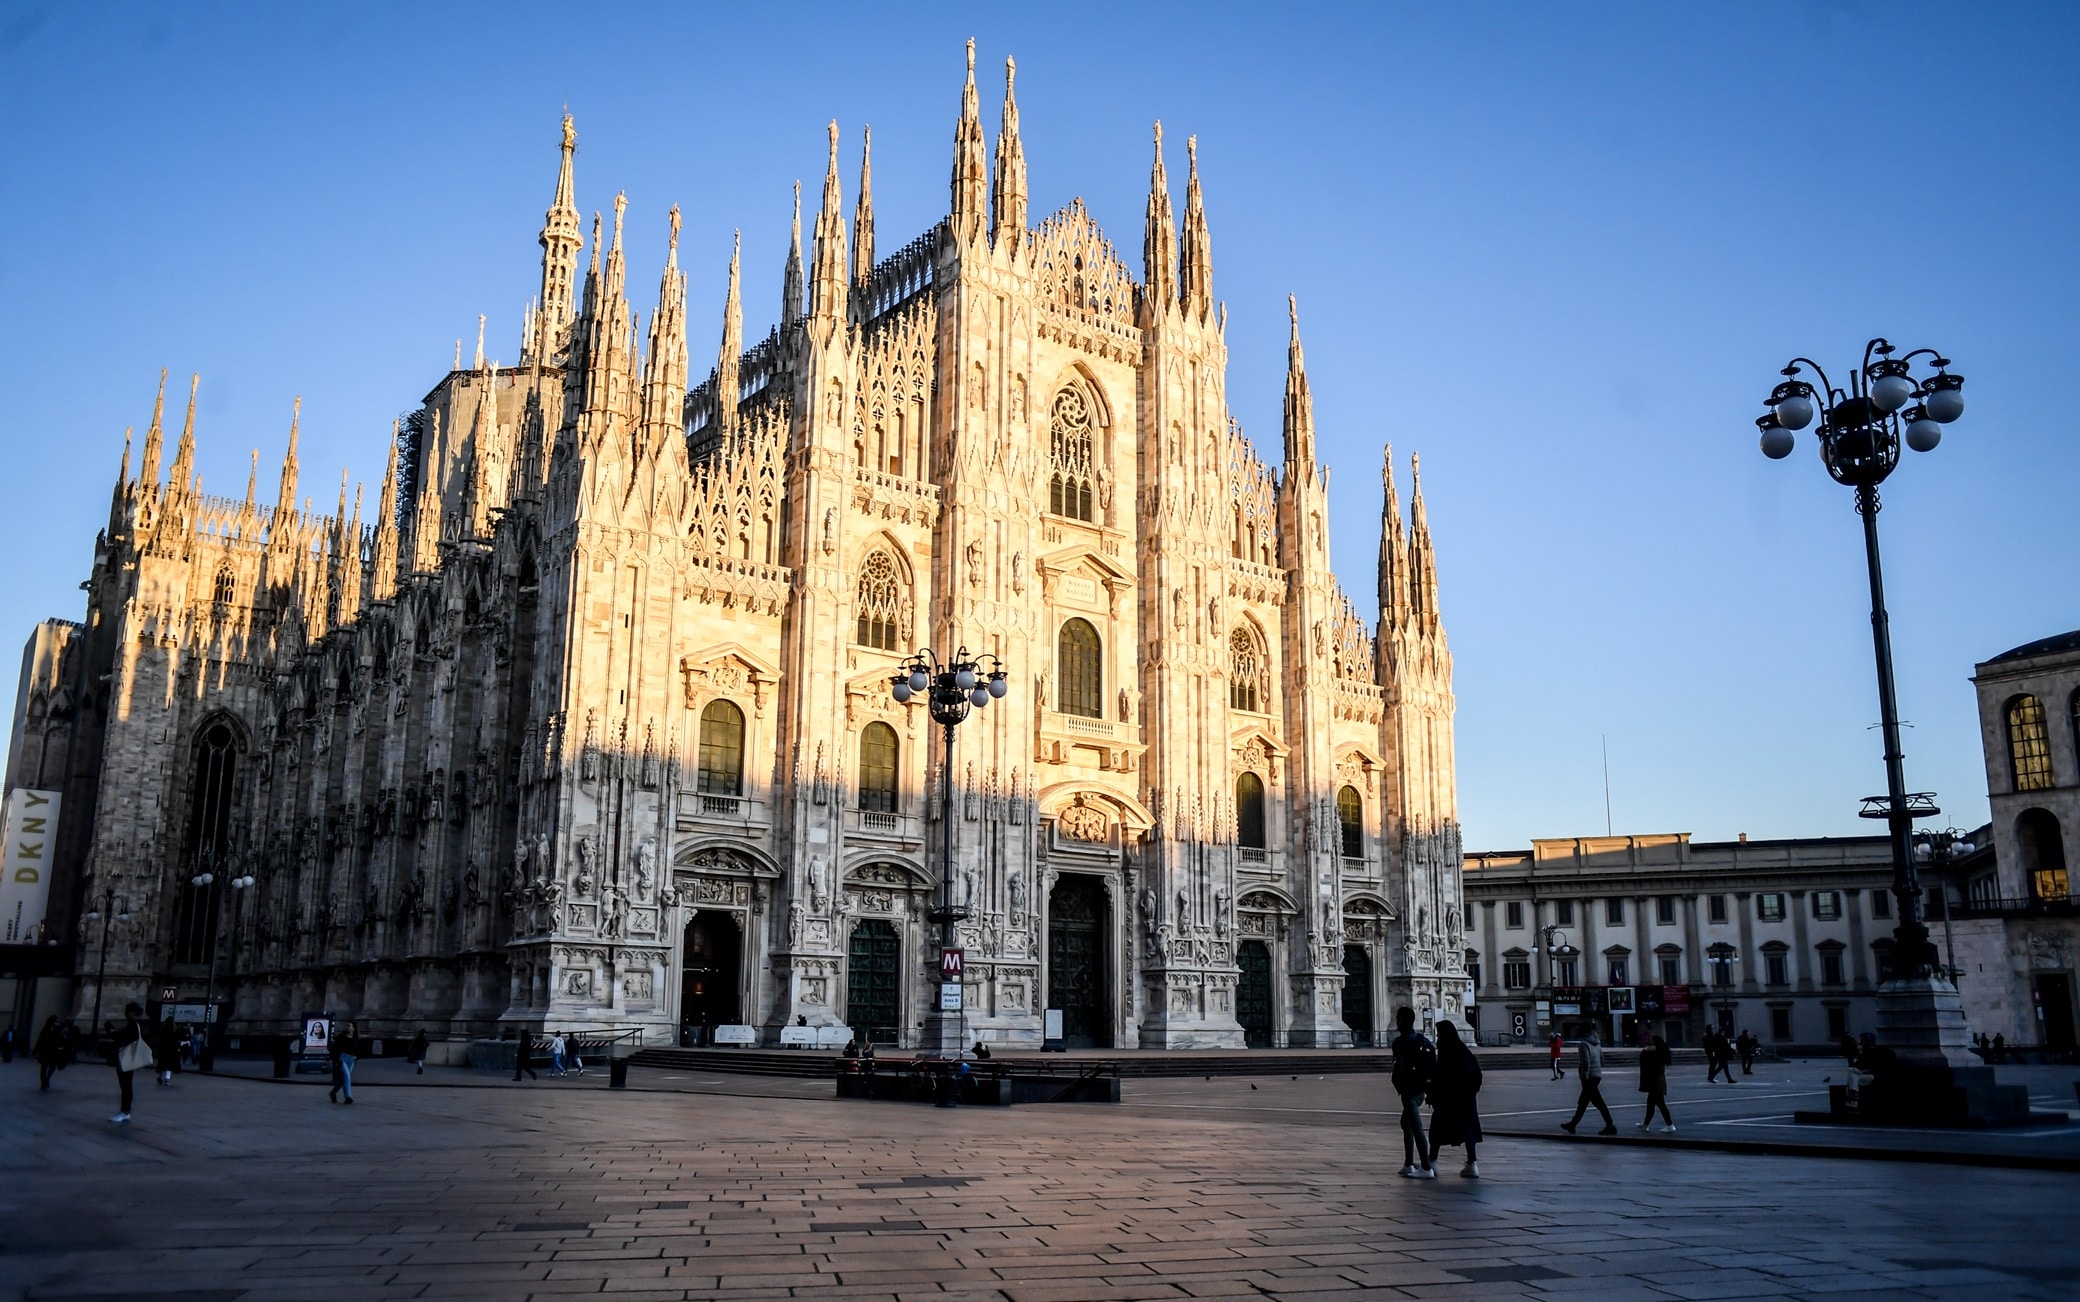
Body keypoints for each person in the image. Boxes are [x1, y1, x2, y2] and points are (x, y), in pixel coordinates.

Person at [1428, 1020, 1484, 1178]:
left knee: (1437, 1131)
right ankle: (1472, 1164)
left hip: (1448, 1100)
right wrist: (1472, 1091)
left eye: (1439, 1034)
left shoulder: (1447, 1053)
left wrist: (1433, 1095)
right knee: (1468, 1131)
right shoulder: (1463, 1051)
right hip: (1466, 1100)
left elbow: (1439, 1077)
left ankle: (1432, 1161)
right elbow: (1477, 1074)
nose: (1438, 1038)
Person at [1389, 1007, 1437, 1179]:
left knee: (1416, 1128)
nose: (1396, 1022)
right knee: (1406, 1123)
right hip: (1420, 1088)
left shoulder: (1399, 1043)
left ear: (1402, 1021)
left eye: (1398, 1019)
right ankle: (1408, 1164)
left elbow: (1398, 1066)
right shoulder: (1422, 1040)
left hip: (1409, 1090)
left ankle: (1425, 1167)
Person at [1560, 1026, 1616, 1135]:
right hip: (1597, 1075)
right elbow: (1602, 1061)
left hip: (1589, 1077)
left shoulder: (1584, 1044)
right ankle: (1573, 1124)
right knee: (1593, 1102)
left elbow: (1585, 1062)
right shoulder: (1597, 1044)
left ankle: (1609, 1125)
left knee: (1585, 1102)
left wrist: (1584, 1077)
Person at [111, 1002, 150, 1123]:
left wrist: (112, 1032)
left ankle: (125, 1111)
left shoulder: (133, 1025)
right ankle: (125, 1111)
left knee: (126, 1085)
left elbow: (123, 1039)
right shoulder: (136, 1025)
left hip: (126, 1058)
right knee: (125, 1085)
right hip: (128, 1058)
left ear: (131, 1013)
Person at [1636, 1031, 1674, 1132]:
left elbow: (1644, 1060)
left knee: (1660, 1104)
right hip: (1658, 1081)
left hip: (1655, 1082)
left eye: (1651, 1040)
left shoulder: (1653, 1052)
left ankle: (1670, 1125)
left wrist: (1645, 1050)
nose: (1649, 1041)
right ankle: (1645, 1124)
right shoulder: (1659, 1051)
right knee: (1651, 1104)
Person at [330, 1021, 359, 1104]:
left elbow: (358, 1050)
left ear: (353, 1028)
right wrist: (336, 1060)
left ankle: (333, 1092)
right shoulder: (341, 1037)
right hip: (342, 1059)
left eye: (348, 1026)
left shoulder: (356, 1038)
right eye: (346, 1026)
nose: (346, 1027)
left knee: (344, 1079)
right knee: (347, 1076)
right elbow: (334, 1049)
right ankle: (348, 1096)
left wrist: (356, 1057)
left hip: (352, 1060)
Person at [33, 1015, 64, 1091]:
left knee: (52, 1067)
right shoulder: (45, 1030)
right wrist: (36, 1050)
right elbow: (40, 1041)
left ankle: (47, 1079)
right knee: (44, 1068)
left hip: (53, 1051)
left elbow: (61, 1040)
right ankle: (44, 1082)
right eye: (56, 1021)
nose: (57, 1023)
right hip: (46, 1051)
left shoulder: (58, 1030)